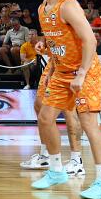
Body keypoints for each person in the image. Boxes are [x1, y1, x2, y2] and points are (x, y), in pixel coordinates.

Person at [31, 0, 101, 199]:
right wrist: (45, 46)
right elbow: (57, 37)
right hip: (61, 70)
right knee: (45, 117)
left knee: (88, 124)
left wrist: (82, 73)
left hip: (84, 70)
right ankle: (56, 170)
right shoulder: (42, 8)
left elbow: (90, 40)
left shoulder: (68, 5)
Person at [21, 37, 86, 177]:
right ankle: (46, 155)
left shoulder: (73, 23)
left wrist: (81, 71)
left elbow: (88, 40)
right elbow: (52, 35)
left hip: (70, 63)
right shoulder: (49, 25)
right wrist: (43, 43)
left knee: (69, 110)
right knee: (39, 106)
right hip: (54, 61)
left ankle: (77, 160)